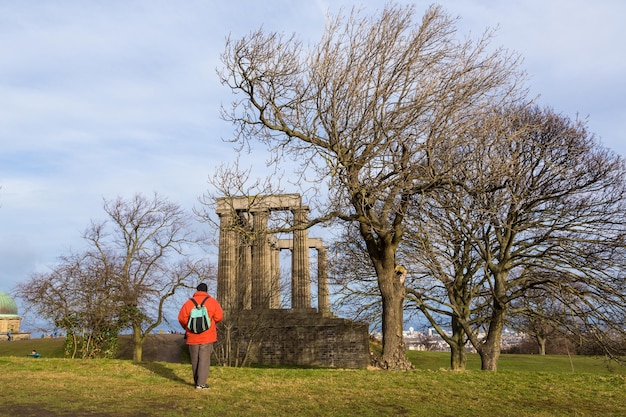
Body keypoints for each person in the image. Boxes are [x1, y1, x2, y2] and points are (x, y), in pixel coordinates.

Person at [178, 283, 223, 390]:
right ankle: (201, 383)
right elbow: (219, 316)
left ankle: (196, 382)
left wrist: (188, 327)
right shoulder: (212, 302)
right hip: (207, 336)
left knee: (195, 360)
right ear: (206, 291)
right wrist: (211, 323)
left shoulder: (188, 303)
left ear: (197, 290)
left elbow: (181, 318)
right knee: (204, 359)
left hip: (192, 336)